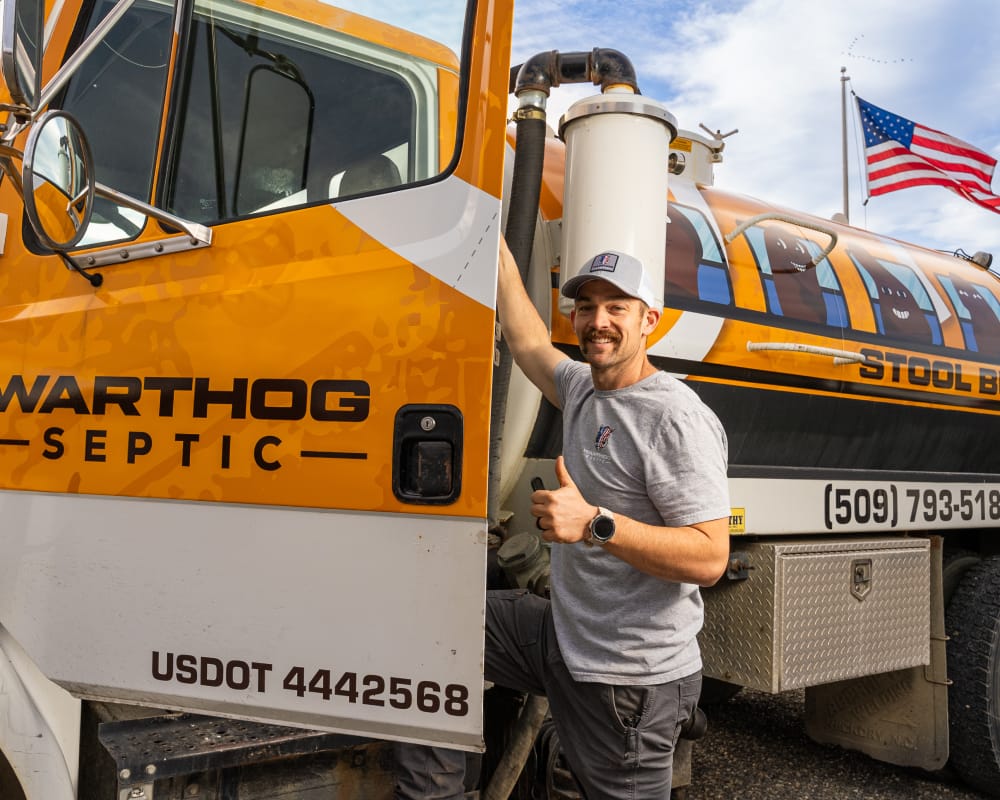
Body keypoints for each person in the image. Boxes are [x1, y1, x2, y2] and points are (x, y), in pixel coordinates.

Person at [394, 240, 730, 799]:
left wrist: (597, 524)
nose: (598, 321)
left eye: (616, 307)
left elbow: (710, 557)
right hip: (564, 636)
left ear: (650, 320)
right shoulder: (581, 388)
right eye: (587, 306)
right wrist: (491, 225)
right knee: (435, 627)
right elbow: (525, 338)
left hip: (628, 680)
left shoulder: (672, 417)